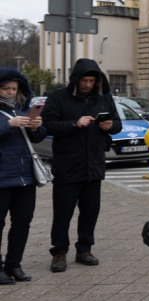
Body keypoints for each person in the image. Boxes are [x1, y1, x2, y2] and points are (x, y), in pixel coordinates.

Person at [41, 59, 122, 272]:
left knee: (90, 211)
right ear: (76, 79)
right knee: (63, 212)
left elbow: (117, 124)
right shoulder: (58, 97)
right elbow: (48, 124)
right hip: (67, 165)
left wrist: (110, 125)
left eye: (91, 80)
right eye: (84, 80)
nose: (87, 84)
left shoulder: (104, 98)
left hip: (94, 165)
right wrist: (74, 124)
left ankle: (84, 249)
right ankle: (59, 251)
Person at [0, 67, 48, 285]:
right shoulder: (7, 115)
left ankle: (14, 264)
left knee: (23, 222)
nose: (10, 92)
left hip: (25, 177)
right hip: (2, 178)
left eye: (14, 89)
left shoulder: (22, 109)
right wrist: (8, 124)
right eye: (6, 89)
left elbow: (37, 139)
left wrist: (37, 127)